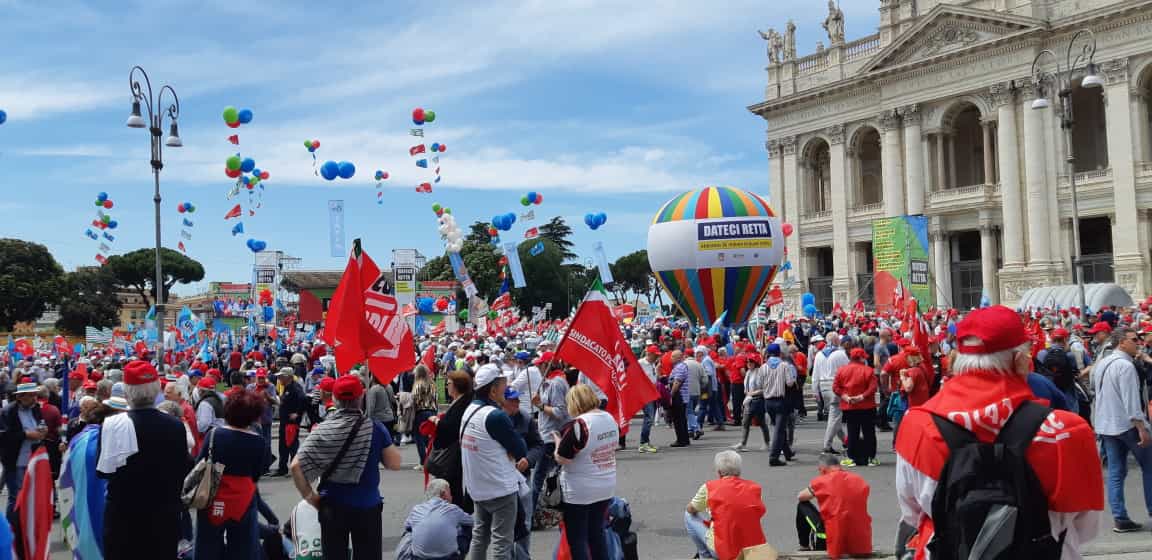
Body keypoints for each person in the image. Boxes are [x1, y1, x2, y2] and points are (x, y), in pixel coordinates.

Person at [896, 305, 1103, 559]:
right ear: (1020, 361)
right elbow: (1086, 528)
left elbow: (912, 513)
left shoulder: (915, 426)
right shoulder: (1069, 431)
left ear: (956, 361)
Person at [290, 375, 402, 560]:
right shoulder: (374, 428)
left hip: (332, 506)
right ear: (361, 397)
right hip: (367, 505)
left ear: (334, 399)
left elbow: (296, 466)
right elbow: (394, 463)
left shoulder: (322, 429)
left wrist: (310, 497)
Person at [98, 360, 192, 559]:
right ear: (157, 389)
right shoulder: (174, 425)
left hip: (123, 516)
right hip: (162, 514)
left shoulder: (112, 425)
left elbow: (103, 471)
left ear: (127, 392)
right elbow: (182, 468)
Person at [461, 364, 528, 560]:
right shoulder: (495, 416)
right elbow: (521, 449)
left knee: (480, 537)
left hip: (478, 487)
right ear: (492, 390)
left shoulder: (470, 410)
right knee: (501, 543)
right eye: (502, 384)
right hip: (500, 488)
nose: (505, 389)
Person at [194, 390, 271, 558]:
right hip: (243, 496)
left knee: (207, 544)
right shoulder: (259, 441)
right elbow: (257, 473)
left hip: (213, 493)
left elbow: (199, 462)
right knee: (243, 546)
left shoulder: (214, 435)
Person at [1091, 327, 1152, 532]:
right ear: (1121, 343)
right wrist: (1141, 427)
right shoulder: (1125, 366)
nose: (1138, 343)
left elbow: (1095, 390)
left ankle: (1120, 517)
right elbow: (1131, 401)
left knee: (1116, 472)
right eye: (1134, 339)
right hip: (1126, 424)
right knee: (1148, 466)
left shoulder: (1103, 363)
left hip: (1107, 424)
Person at [555, 384, 619, 560]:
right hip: (605, 484)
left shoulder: (580, 425)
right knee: (596, 534)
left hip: (580, 489)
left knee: (578, 539)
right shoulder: (609, 418)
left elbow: (563, 458)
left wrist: (557, 444)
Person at [684, 450, 766, 560]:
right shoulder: (755, 488)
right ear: (739, 471)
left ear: (719, 472)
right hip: (754, 550)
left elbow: (691, 509)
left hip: (724, 550)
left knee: (689, 515)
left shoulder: (710, 487)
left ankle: (704, 555)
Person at [796, 454, 872, 557]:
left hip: (833, 538)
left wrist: (815, 487)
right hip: (861, 539)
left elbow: (801, 496)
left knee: (802, 505)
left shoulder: (822, 481)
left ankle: (804, 546)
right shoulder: (859, 480)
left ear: (822, 469)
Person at [426, 371, 475, 513]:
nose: (447, 386)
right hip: (454, 454)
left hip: (452, 455)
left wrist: (437, 421)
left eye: (449, 383)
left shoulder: (463, 403)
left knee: (452, 489)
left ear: (456, 386)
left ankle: (456, 517)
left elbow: (450, 428)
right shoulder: (461, 401)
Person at [531, 362, 570, 516]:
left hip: (551, 437)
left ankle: (531, 514)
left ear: (547, 365)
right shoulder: (548, 382)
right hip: (548, 434)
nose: (538, 368)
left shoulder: (557, 383)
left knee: (538, 477)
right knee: (552, 474)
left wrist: (540, 405)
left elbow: (560, 412)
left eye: (540, 365)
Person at [401, 478, 474, 560]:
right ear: (444, 494)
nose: (452, 496)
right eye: (450, 493)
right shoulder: (452, 509)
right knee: (467, 526)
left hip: (419, 558)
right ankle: (460, 554)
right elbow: (471, 521)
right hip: (448, 557)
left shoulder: (416, 509)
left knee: (409, 531)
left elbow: (407, 527)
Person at [0, 381, 44, 517]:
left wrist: (43, 430)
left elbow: (40, 422)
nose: (34, 399)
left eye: (35, 395)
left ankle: (26, 529)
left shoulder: (35, 408)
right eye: (30, 396)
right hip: (15, 460)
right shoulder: (8, 412)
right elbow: (4, 436)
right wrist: (26, 434)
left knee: (31, 496)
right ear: (20, 397)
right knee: (16, 497)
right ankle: (12, 531)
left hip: (33, 459)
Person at [835, 348, 878, 467]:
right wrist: (862, 396)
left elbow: (836, 387)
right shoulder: (868, 370)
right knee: (869, 432)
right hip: (867, 406)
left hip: (849, 406)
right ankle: (870, 457)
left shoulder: (842, 370)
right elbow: (873, 387)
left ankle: (852, 457)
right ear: (860, 358)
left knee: (852, 432)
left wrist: (845, 397)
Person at [813, 333, 849, 454]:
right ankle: (826, 445)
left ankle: (845, 441)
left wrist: (815, 391)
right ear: (836, 341)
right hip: (835, 386)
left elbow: (815, 375)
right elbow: (847, 371)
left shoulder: (819, 354)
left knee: (834, 416)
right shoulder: (841, 354)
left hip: (823, 387)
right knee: (834, 417)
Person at [274, 368, 307, 477]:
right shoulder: (286, 387)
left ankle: (295, 469)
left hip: (291, 423)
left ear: (287, 377)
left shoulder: (295, 388)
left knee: (292, 446)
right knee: (282, 445)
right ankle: (282, 468)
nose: (279, 378)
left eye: (281, 376)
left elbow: (303, 399)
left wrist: (298, 413)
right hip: (284, 422)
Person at [411, 365, 439, 470]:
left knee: (419, 438)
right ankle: (435, 457)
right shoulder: (432, 384)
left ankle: (423, 462)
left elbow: (415, 401)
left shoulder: (418, 385)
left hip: (421, 413)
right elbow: (436, 399)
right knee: (429, 438)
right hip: (432, 412)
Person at [637, 345, 660, 453]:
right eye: (655, 355)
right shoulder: (640, 363)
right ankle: (643, 443)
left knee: (649, 418)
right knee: (649, 418)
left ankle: (645, 441)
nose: (657, 357)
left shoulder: (652, 364)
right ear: (649, 354)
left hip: (652, 393)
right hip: (645, 394)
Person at [668, 351, 692, 447]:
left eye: (673, 357)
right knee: (682, 419)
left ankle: (681, 440)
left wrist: (671, 395)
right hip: (682, 396)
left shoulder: (680, 367)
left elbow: (677, 382)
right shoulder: (680, 367)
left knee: (678, 419)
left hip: (679, 396)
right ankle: (685, 439)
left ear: (679, 358)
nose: (671, 358)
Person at [364, 371, 397, 438]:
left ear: (373, 377)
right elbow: (393, 401)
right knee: (390, 440)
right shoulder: (389, 386)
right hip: (390, 417)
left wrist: (366, 419)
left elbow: (371, 408)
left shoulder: (374, 389)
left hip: (379, 420)